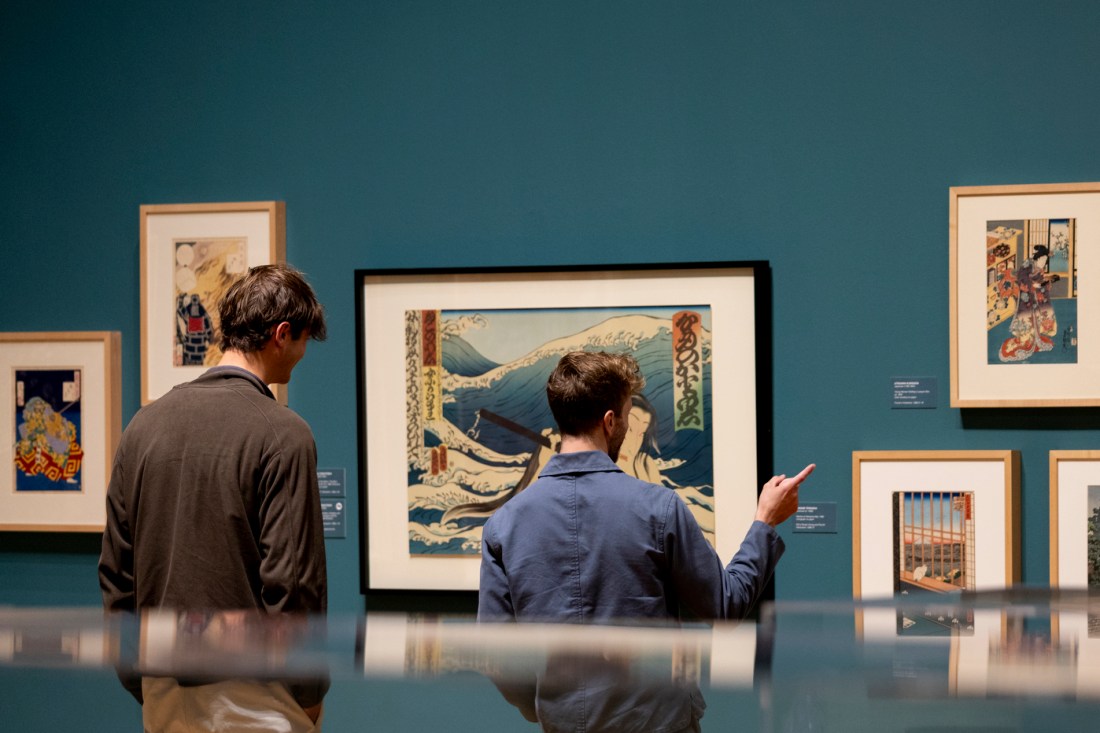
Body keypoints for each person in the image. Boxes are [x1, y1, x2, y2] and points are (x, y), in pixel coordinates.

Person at [477, 351, 813, 731]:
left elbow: (497, 655)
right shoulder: (658, 508)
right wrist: (765, 521)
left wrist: (549, 709)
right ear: (609, 421)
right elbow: (725, 607)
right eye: (625, 415)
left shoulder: (503, 524)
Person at [98, 264, 329, 732]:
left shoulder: (142, 426)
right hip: (255, 693)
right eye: (304, 340)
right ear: (282, 334)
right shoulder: (283, 433)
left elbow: (116, 575)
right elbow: (294, 583)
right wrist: (308, 692)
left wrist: (142, 679)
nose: (302, 355)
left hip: (161, 689)